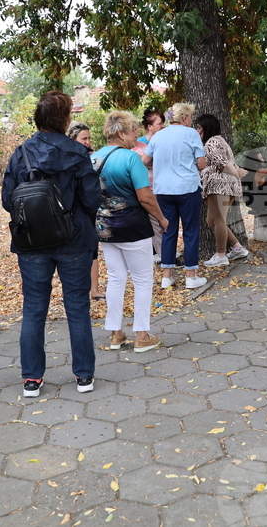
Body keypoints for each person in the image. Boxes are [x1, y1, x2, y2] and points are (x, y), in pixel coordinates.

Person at [2, 91, 101, 397]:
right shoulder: (77, 152)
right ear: (65, 118)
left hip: (32, 242)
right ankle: (84, 375)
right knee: (77, 306)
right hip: (73, 238)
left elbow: (8, 200)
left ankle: (32, 378)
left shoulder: (21, 153)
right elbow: (92, 198)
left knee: (33, 308)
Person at [91, 111, 170, 353]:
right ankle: (142, 335)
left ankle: (116, 333)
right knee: (143, 280)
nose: (136, 135)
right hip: (133, 226)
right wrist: (161, 218)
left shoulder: (92, 158)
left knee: (115, 278)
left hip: (104, 227)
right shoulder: (130, 158)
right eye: (134, 130)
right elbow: (145, 196)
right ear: (121, 133)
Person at [141, 102, 208, 289]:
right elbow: (201, 164)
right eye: (190, 118)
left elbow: (144, 160)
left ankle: (166, 277)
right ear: (185, 118)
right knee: (191, 231)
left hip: (163, 190)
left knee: (167, 231)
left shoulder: (158, 136)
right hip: (188, 188)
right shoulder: (192, 134)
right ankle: (190, 276)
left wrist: (160, 166)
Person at [195, 113, 250, 267]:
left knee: (218, 220)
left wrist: (236, 172)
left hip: (219, 185)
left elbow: (222, 164)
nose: (197, 130)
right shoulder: (221, 141)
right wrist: (236, 172)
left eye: (199, 127)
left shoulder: (211, 142)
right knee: (210, 220)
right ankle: (237, 247)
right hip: (227, 186)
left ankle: (220, 255)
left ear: (207, 127)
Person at [68, 121, 104, 302]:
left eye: (89, 138)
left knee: (93, 249)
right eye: (84, 138)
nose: (88, 141)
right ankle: (74, 290)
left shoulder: (92, 157)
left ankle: (94, 290)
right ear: (73, 139)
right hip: (71, 210)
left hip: (89, 208)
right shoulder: (65, 158)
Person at [131, 109, 166, 259]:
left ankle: (163, 251)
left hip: (162, 186)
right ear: (150, 126)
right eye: (160, 123)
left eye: (163, 122)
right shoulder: (139, 144)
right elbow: (139, 163)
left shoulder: (165, 140)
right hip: (146, 187)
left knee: (161, 220)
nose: (163, 126)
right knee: (154, 221)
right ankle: (161, 253)